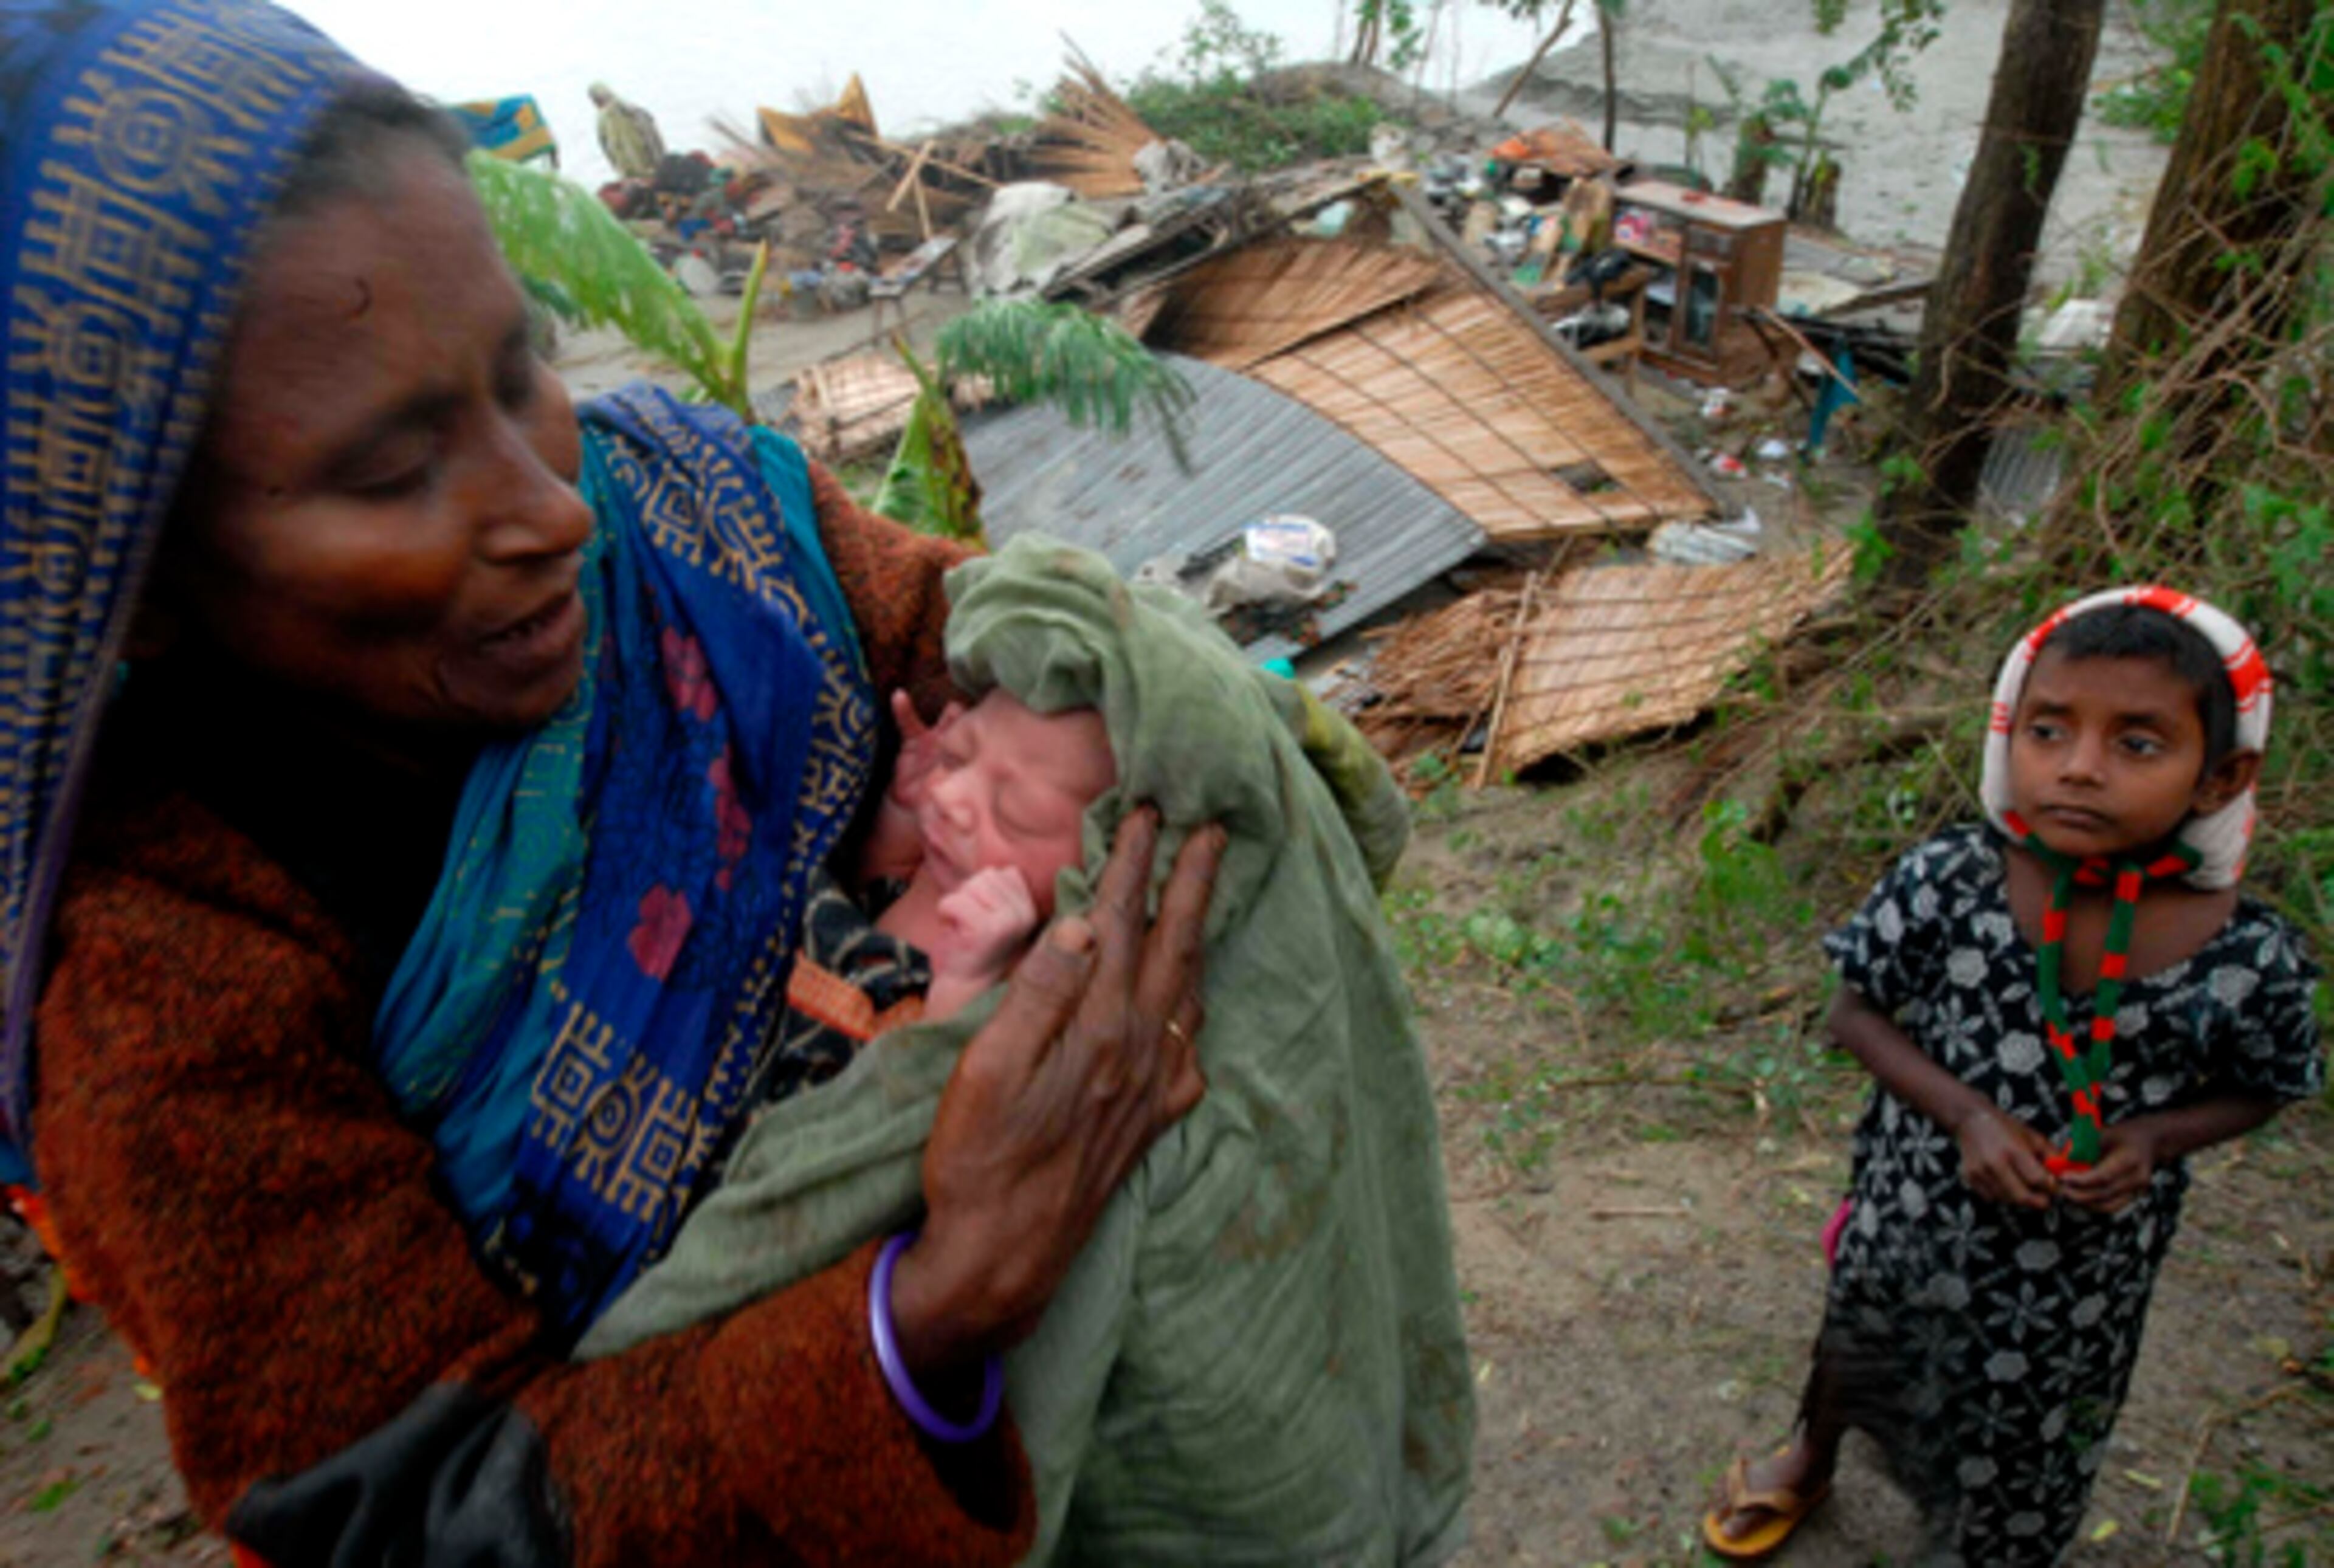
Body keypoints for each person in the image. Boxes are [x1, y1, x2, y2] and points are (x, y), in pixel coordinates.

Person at [1, 1, 1226, 1560]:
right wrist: (935, 1304)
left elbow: (969, 645)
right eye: (390, 471)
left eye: (523, 370)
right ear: (134, 581)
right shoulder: (158, 974)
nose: (550, 509)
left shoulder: (695, 515)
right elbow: (423, 1514)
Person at [584, 537, 1475, 1566]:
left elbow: (932, 1088)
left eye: (1015, 809)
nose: (964, 805)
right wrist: (897, 814)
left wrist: (967, 984)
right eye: (962, 760)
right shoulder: (923, 847)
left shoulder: (1049, 990)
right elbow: (862, 899)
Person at [1702, 589, 2322, 1564]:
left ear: (2221, 778)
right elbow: (1853, 1014)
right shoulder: (1950, 878)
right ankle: (1812, 1452)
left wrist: (2154, 1140)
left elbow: (2270, 1082)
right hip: (1913, 1204)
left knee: (2041, 1416)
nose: (2079, 767)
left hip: (2082, 1269)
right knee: (1860, 1340)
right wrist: (1966, 1117)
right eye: (2049, 730)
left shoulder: (2248, 955)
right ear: (2009, 735)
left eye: (2139, 744)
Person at [588, 80, 665, 184]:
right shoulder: (634, 110)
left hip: (636, 175)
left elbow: (609, 152)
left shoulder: (610, 117)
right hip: (648, 172)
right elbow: (655, 140)